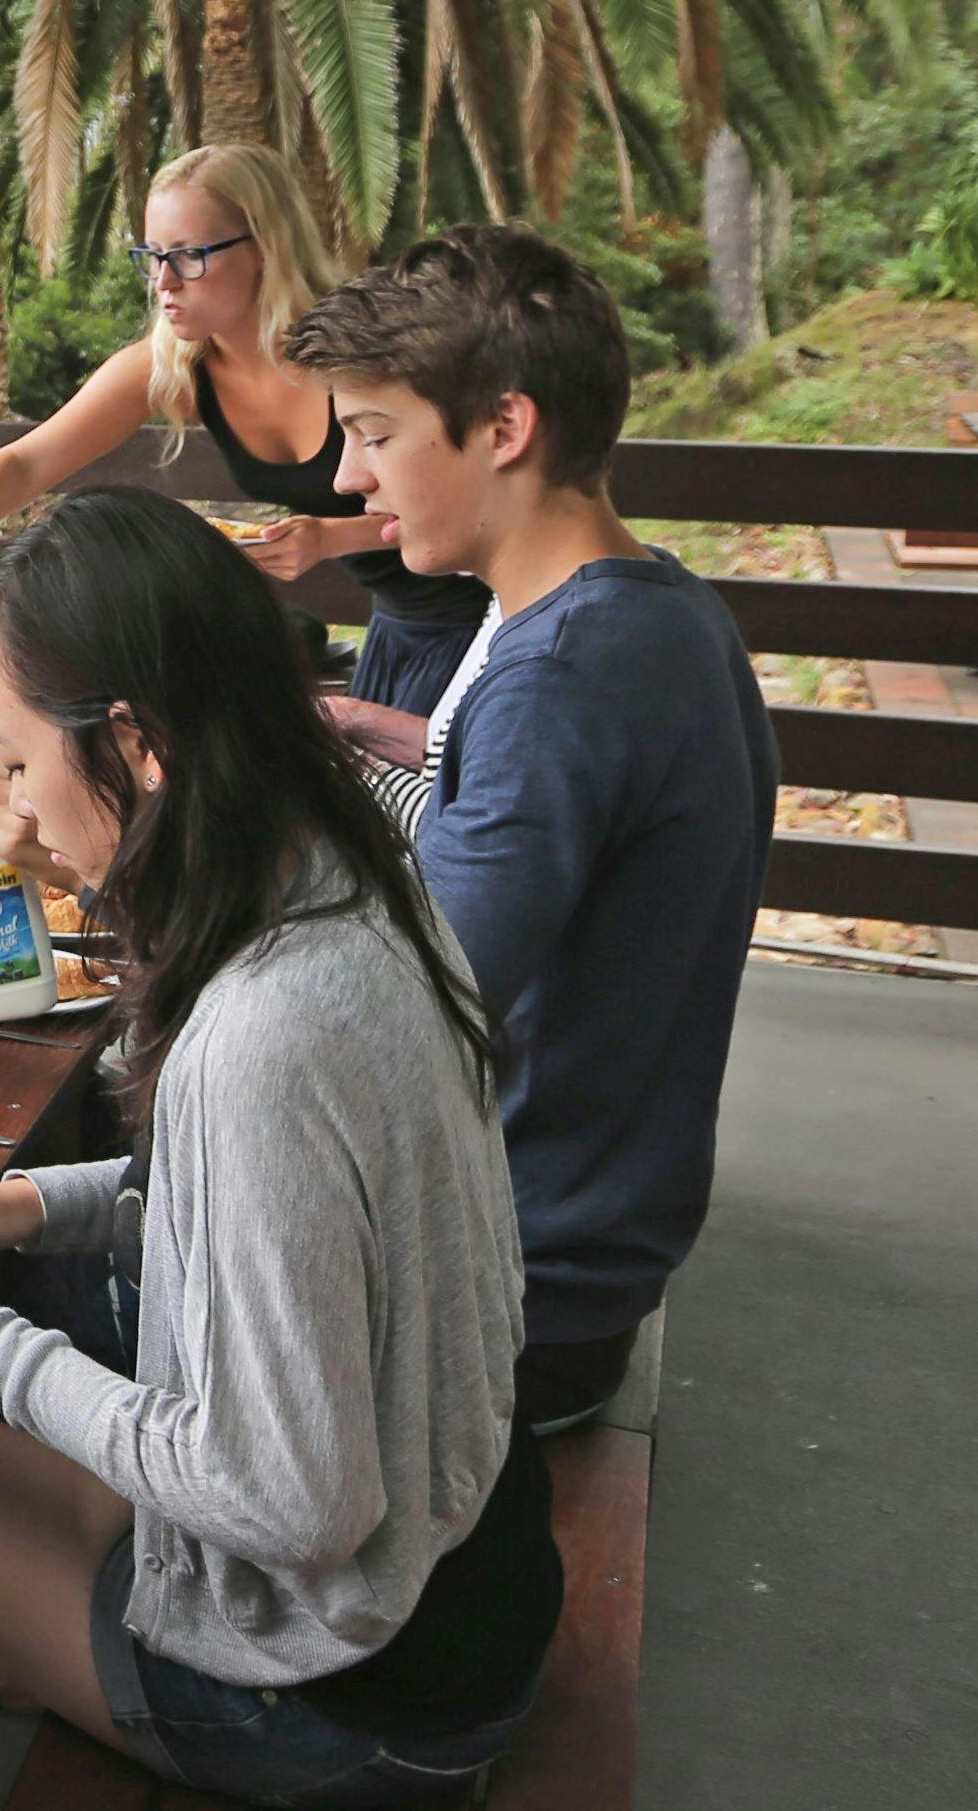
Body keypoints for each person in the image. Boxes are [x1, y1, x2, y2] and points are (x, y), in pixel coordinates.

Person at [0, 486, 556, 1809]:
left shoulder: (263, 1028)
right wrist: (24, 1203)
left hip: (350, 1674)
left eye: (15, 758)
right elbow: (287, 1209)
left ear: (137, 744)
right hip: (457, 1558)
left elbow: (289, 1500)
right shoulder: (349, 871)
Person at [283, 223, 774, 1429]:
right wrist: (364, 731)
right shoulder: (643, 609)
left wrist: (141, 843)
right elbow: (513, 810)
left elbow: (392, 1015)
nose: (350, 479)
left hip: (505, 1297)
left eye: (374, 434)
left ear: (502, 429)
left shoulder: (561, 676)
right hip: (575, 1248)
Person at [0, 143, 494, 714]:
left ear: (265, 247)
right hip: (399, 626)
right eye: (151, 255)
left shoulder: (354, 349)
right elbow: (30, 464)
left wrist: (332, 538)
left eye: (190, 255)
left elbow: (469, 500)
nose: (164, 281)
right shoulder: (177, 363)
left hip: (482, 613)